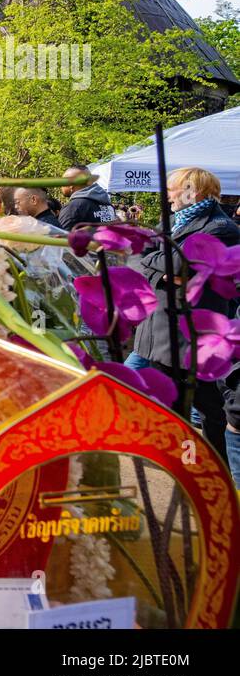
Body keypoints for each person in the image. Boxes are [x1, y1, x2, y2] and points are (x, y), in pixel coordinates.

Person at [131, 167, 239, 461]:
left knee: (207, 409)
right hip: (157, 332)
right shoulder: (172, 223)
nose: (167, 197)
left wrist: (163, 267)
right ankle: (182, 464)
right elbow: (136, 259)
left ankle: (215, 469)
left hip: (191, 336)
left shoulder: (220, 228)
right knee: (168, 405)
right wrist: (161, 272)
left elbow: (180, 266)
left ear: (195, 192)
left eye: (172, 190)